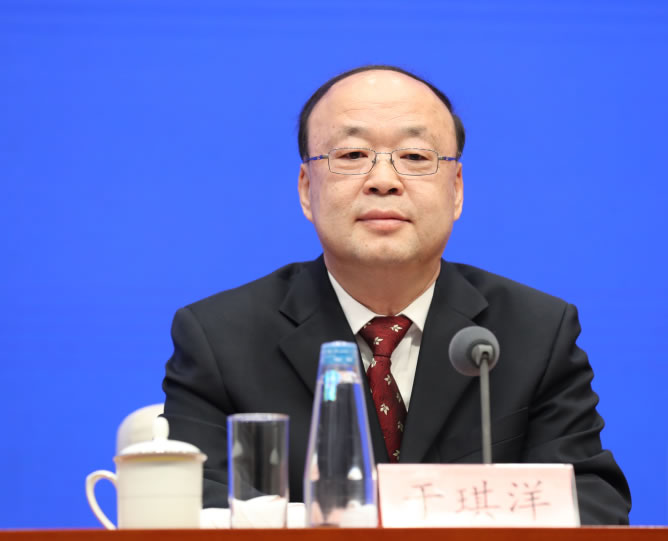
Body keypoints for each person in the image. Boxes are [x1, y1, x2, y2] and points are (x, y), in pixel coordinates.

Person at [162, 65, 631, 524]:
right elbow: (191, 509)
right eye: (351, 155)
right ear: (306, 189)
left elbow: (593, 505)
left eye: (415, 157)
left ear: (456, 190)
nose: (383, 180)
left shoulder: (535, 330)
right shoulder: (219, 338)